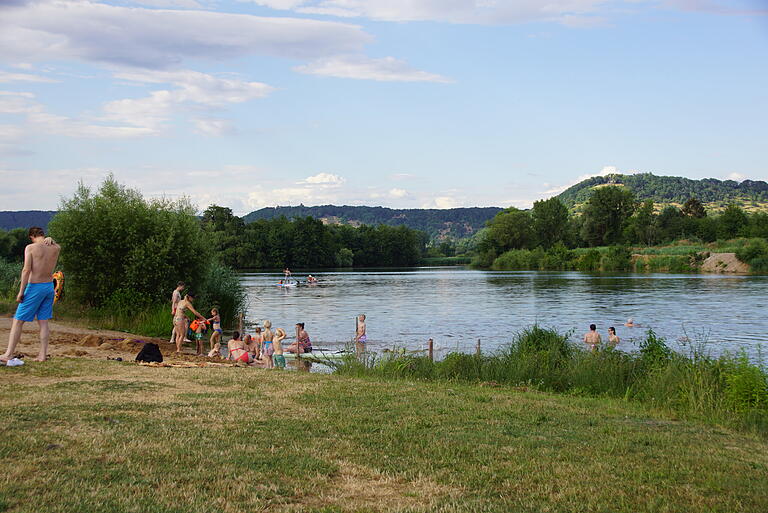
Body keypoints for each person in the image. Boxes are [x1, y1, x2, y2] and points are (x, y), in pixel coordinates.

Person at [1, 227, 60, 363]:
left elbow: (26, 270)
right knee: (43, 321)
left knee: (18, 320)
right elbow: (56, 245)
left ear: (31, 236)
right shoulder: (56, 248)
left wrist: (21, 291)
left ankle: (9, 354)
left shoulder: (31, 248)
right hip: (49, 286)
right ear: (43, 235)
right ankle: (42, 355)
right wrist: (51, 239)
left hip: (35, 286)